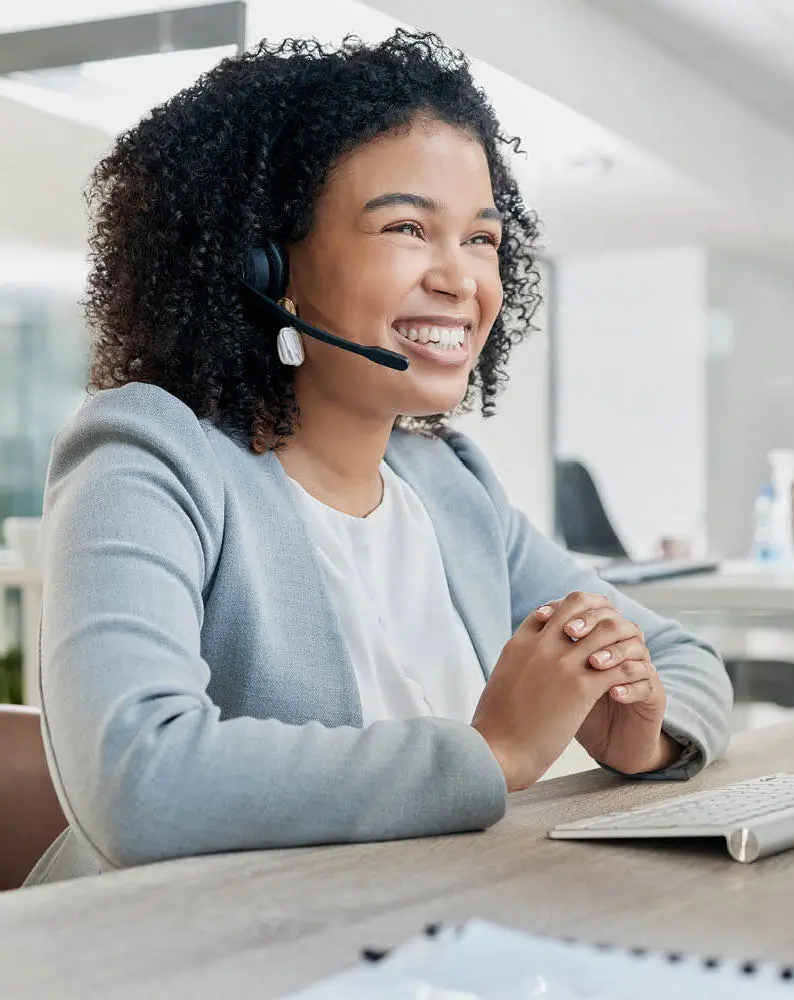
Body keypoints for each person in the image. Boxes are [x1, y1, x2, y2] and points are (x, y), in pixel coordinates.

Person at [27, 31, 732, 886]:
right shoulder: (147, 456)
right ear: (267, 265)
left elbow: (684, 659)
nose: (459, 279)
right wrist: (493, 752)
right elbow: (139, 781)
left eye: (480, 239)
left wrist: (642, 729)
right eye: (407, 227)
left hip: (409, 934)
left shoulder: (449, 485)